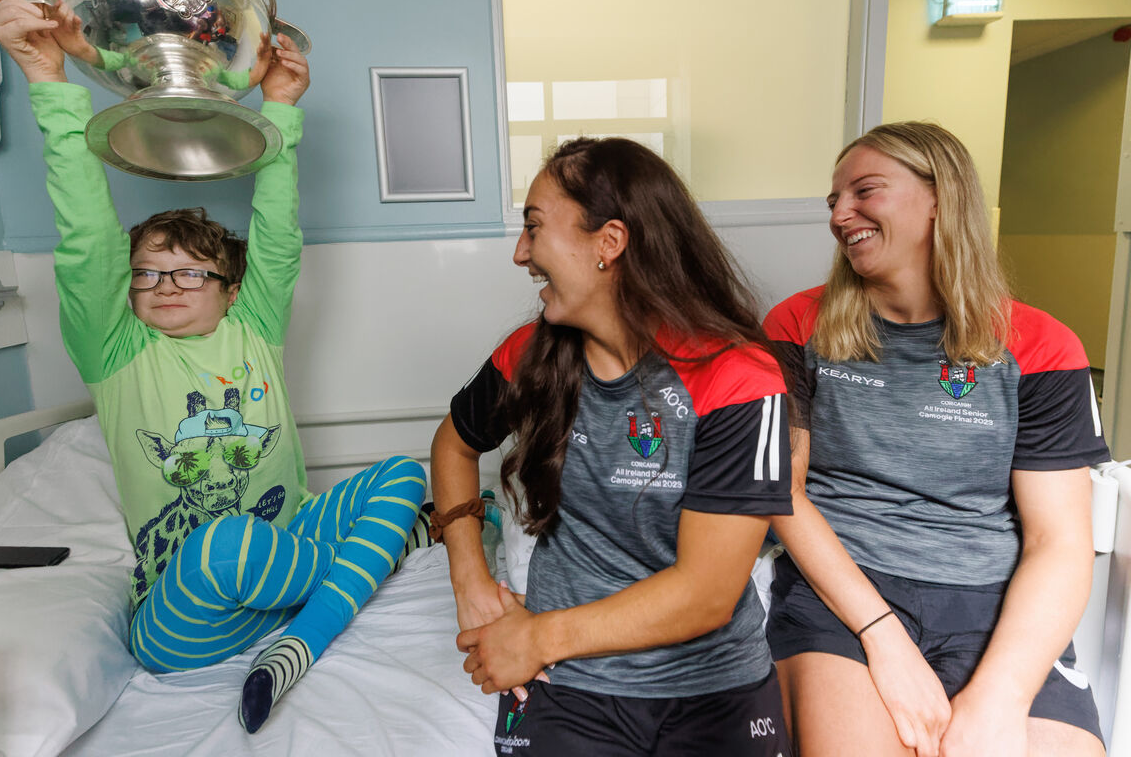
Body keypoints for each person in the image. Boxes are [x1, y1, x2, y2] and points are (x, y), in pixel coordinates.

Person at [0, 0, 428, 734]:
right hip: (185, 617)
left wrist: (282, 104)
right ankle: (367, 566)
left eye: (191, 272)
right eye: (148, 272)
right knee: (223, 543)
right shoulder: (117, 351)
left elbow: (277, 231)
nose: (165, 285)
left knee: (406, 471)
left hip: (284, 552)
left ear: (230, 290)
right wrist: (49, 82)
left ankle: (295, 643)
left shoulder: (253, 329)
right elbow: (87, 238)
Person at [431, 136, 794, 756]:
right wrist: (469, 577)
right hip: (573, 687)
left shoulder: (740, 380)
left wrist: (536, 638)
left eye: (535, 228)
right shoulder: (530, 356)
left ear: (609, 243)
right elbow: (453, 445)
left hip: (712, 690)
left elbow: (705, 593)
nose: (522, 253)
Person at [764, 121, 1108, 757]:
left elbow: (1057, 540)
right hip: (843, 592)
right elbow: (784, 494)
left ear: (941, 199)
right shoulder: (797, 326)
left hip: (992, 602)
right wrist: (884, 639)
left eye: (865, 191)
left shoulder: (1044, 346)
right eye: (833, 201)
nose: (841, 215)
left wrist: (997, 699)